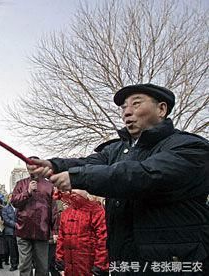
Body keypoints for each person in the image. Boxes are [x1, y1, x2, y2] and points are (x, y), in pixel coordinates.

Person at [28, 84, 209, 275]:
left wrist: (77, 177)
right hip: (125, 262)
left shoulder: (192, 147)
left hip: (176, 262)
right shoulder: (116, 149)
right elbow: (89, 162)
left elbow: (142, 175)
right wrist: (53, 165)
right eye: (123, 107)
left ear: (162, 109)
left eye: (136, 104)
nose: (127, 112)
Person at [12, 156, 58, 276]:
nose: (31, 168)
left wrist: (55, 231)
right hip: (23, 230)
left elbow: (54, 209)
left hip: (42, 231)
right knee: (24, 266)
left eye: (34, 165)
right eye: (29, 166)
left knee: (42, 267)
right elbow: (14, 202)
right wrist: (27, 192)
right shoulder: (20, 184)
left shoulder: (49, 186)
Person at [54, 189, 108, 276]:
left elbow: (103, 240)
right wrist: (60, 262)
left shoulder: (96, 210)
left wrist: (99, 267)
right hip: (69, 269)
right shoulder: (66, 213)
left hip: (89, 268)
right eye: (73, 187)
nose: (74, 191)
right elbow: (61, 239)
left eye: (79, 187)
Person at [1, 193, 19, 271]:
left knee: (20, 249)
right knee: (12, 250)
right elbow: (6, 219)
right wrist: (15, 224)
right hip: (10, 232)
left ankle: (20, 263)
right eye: (10, 197)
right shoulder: (5, 208)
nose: (12, 198)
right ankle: (13, 264)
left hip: (20, 231)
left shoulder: (19, 207)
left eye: (13, 196)